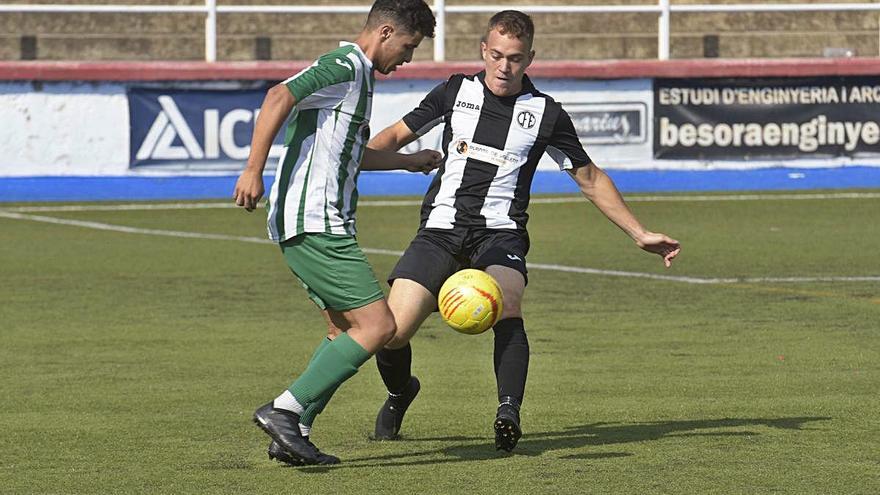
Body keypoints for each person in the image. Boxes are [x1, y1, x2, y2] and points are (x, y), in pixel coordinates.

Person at [366, 10, 681, 452]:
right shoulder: (455, 91)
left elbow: (588, 177)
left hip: (500, 234)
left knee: (508, 303)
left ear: (529, 58)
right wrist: (352, 158)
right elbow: (395, 135)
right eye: (496, 55)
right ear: (483, 50)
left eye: (514, 58)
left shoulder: (546, 113)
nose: (503, 67)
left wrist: (638, 232)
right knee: (392, 333)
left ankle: (508, 412)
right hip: (440, 230)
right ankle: (401, 392)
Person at [232, 0, 438, 466]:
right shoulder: (344, 66)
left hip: (316, 221)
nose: (407, 59)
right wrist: (252, 170)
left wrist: (408, 161)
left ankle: (295, 431)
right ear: (385, 33)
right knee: (380, 325)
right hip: (315, 221)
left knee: (342, 327)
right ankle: (284, 410)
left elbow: (352, 153)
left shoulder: (359, 78)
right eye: (407, 47)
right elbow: (277, 96)